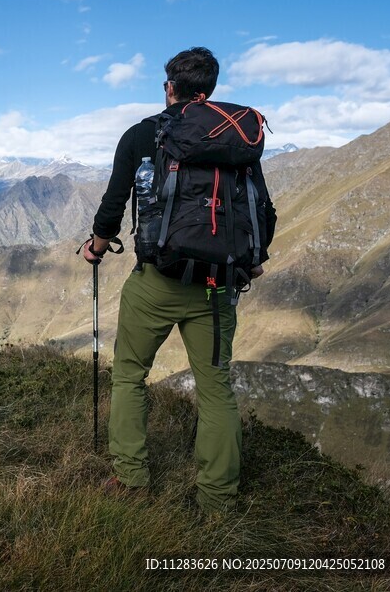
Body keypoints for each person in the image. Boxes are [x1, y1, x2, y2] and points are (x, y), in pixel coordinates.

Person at [81, 46, 273, 513]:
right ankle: (218, 500)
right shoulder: (236, 138)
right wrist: (254, 260)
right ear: (210, 90)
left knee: (129, 375)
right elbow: (260, 207)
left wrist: (97, 246)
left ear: (170, 87)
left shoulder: (142, 134)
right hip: (218, 285)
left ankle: (131, 479)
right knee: (216, 388)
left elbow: (113, 204)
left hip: (158, 280)